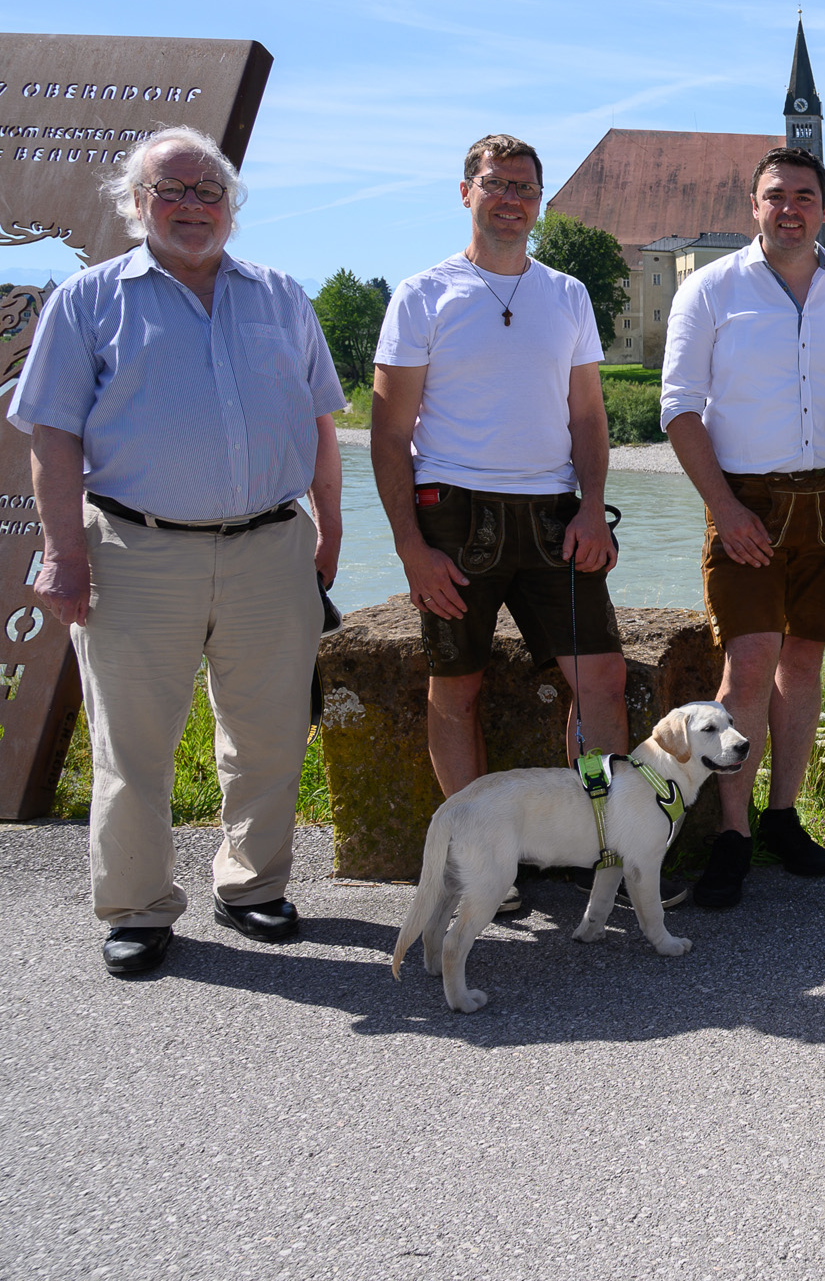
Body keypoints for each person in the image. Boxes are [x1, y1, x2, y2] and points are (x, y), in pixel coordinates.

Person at [11, 126, 345, 977]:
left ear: (232, 206)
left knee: (269, 734)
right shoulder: (87, 301)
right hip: (132, 549)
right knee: (133, 742)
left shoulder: (281, 296)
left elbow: (319, 425)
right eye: (172, 190)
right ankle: (138, 906)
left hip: (272, 545)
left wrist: (329, 528)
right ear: (136, 205)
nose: (193, 206)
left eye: (209, 192)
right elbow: (52, 437)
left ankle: (253, 885)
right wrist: (63, 553)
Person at [370, 134, 625, 836]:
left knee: (601, 680)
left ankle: (602, 837)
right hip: (453, 512)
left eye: (524, 188)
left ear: (538, 203)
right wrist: (410, 549)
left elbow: (587, 418)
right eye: (496, 184)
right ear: (466, 193)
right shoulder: (423, 294)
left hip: (554, 514)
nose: (510, 199)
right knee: (457, 688)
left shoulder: (567, 294)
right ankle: (480, 849)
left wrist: (594, 509)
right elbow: (389, 434)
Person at [661, 145, 825, 908]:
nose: (789, 207)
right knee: (749, 666)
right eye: (775, 195)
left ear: (824, 206)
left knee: (805, 665)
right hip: (745, 500)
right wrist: (723, 508)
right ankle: (734, 831)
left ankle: (784, 817)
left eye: (804, 195)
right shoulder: (711, 289)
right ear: (752, 206)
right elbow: (679, 407)